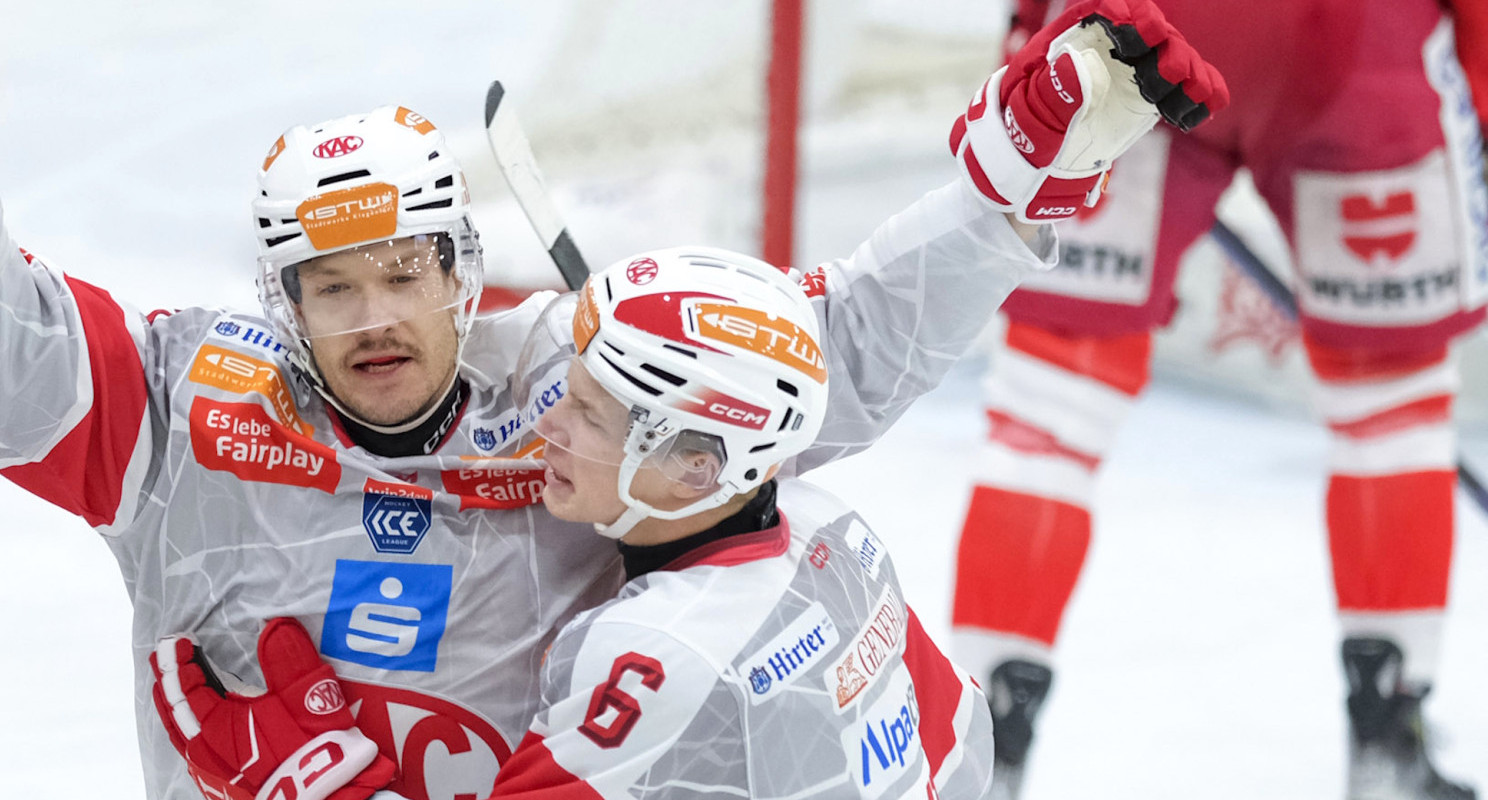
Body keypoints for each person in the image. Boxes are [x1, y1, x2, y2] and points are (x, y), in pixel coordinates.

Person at [137, 6, 1228, 798]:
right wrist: (1000, 190)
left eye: (593, 415)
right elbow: (812, 351)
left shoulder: (652, 656)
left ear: (698, 464)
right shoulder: (827, 534)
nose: (542, 425)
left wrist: (316, 785)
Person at [946, 1, 1487, 799]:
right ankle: (1387, 748)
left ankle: (984, 758)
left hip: (1134, 25)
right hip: (1357, 35)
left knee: (1048, 412)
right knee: (1390, 405)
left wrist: (1034, 25)